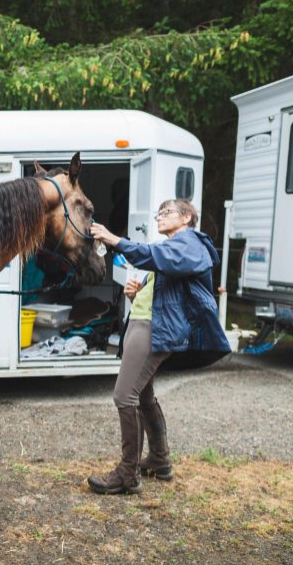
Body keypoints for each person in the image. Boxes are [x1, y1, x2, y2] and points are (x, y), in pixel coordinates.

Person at [86, 199, 229, 494]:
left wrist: (114, 240)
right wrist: (136, 295)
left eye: (167, 212)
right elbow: (165, 294)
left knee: (124, 396)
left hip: (152, 329)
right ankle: (160, 461)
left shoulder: (190, 244)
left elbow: (151, 255)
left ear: (186, 218)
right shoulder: (174, 250)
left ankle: (127, 474)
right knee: (143, 395)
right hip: (143, 323)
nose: (160, 217)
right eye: (158, 214)